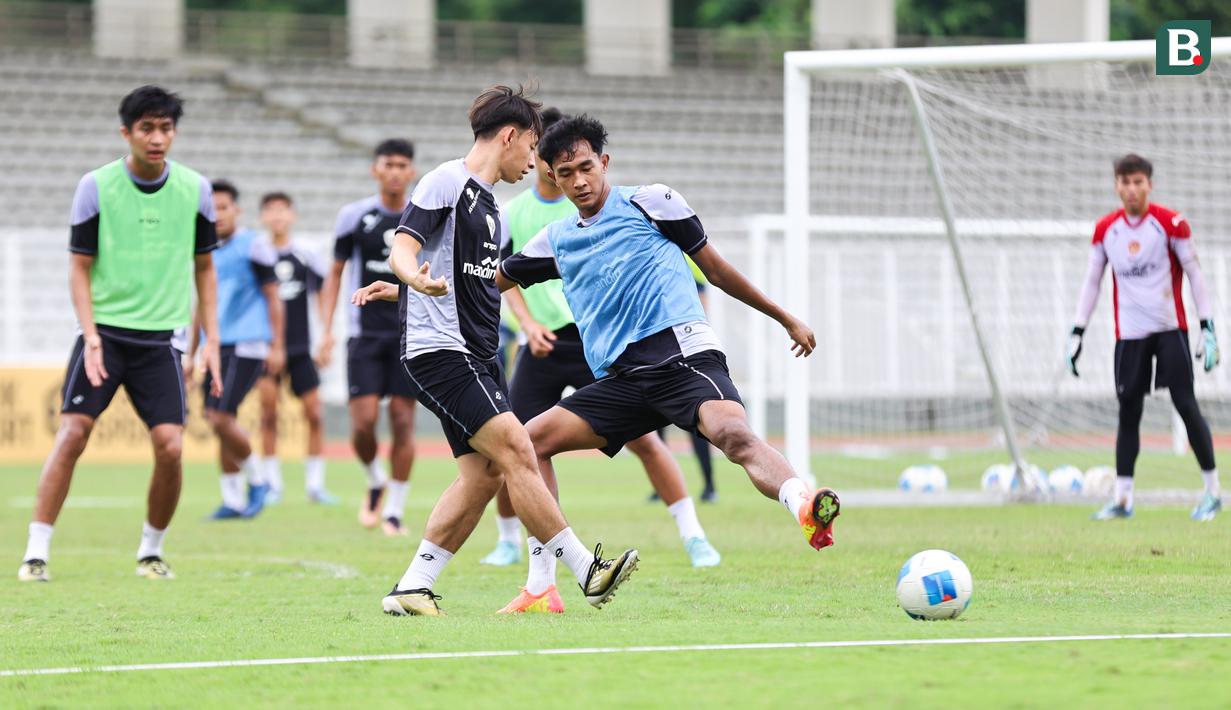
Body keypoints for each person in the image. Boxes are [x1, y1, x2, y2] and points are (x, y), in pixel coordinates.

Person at [493, 114, 840, 613]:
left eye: (587, 167)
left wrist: (784, 318)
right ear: (551, 175)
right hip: (622, 378)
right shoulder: (556, 239)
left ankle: (802, 505)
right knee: (528, 444)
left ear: (604, 162)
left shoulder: (652, 202)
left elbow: (716, 270)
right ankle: (541, 584)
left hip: (682, 355)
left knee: (733, 435)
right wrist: (411, 288)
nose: (580, 181)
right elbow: (489, 282)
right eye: (566, 173)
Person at [351, 86, 638, 617]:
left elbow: (472, 281)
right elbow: (403, 247)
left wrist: (404, 289)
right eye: (531, 146)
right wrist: (409, 276)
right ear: (509, 136)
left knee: (484, 475)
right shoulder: (445, 181)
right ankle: (586, 571)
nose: (535, 162)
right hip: (442, 351)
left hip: (479, 355)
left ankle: (413, 586)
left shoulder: (490, 208)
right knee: (519, 449)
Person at [479, 107, 720, 574]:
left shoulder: (602, 203)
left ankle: (694, 536)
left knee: (646, 443)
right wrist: (527, 325)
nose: (571, 173)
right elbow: (503, 278)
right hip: (542, 345)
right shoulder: (516, 213)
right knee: (517, 446)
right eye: (544, 153)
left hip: (599, 345)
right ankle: (514, 548)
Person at [18, 85, 221, 582]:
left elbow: (204, 269)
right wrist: (89, 336)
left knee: (171, 446)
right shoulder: (96, 186)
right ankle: (35, 552)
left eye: (166, 128)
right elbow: (78, 266)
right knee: (73, 433)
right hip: (104, 336)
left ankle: (151, 551)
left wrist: (211, 341)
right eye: (147, 128)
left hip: (162, 340)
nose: (157, 138)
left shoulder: (196, 189)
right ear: (126, 133)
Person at [1066, 153, 1221, 522]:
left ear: (1149, 184)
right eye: (1125, 182)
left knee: (1186, 405)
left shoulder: (1171, 224)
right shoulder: (1106, 231)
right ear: (1116, 186)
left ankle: (1213, 493)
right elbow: (1092, 282)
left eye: (1138, 182)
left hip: (1170, 330)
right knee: (1128, 412)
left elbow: (1195, 273)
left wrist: (1208, 328)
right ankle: (1122, 500)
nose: (1132, 189)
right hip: (1130, 335)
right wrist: (1077, 331)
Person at [319, 139, 419, 535]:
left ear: (411, 171)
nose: (395, 172)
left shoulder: (421, 214)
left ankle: (394, 511)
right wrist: (326, 331)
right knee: (362, 425)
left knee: (403, 421)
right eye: (388, 164)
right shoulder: (354, 216)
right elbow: (335, 273)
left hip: (408, 333)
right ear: (375, 170)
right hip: (363, 334)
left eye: (402, 165)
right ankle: (376, 480)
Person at [186, 180, 284, 520]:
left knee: (220, 417)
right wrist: (189, 353)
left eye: (223, 207)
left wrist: (277, 345)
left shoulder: (254, 246)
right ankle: (232, 500)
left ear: (236, 210)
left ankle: (259, 480)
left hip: (247, 344)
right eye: (211, 209)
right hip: (215, 346)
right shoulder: (204, 250)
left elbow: (273, 297)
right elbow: (200, 305)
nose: (217, 215)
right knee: (217, 420)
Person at [254, 192, 334, 505]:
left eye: (282, 210)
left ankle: (315, 486)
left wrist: (325, 335)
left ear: (293, 216)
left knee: (314, 414)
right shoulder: (258, 254)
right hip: (267, 349)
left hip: (301, 347)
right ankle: (272, 485)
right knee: (268, 415)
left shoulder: (306, 253)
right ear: (262, 217)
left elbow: (321, 294)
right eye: (271, 210)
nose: (277, 216)